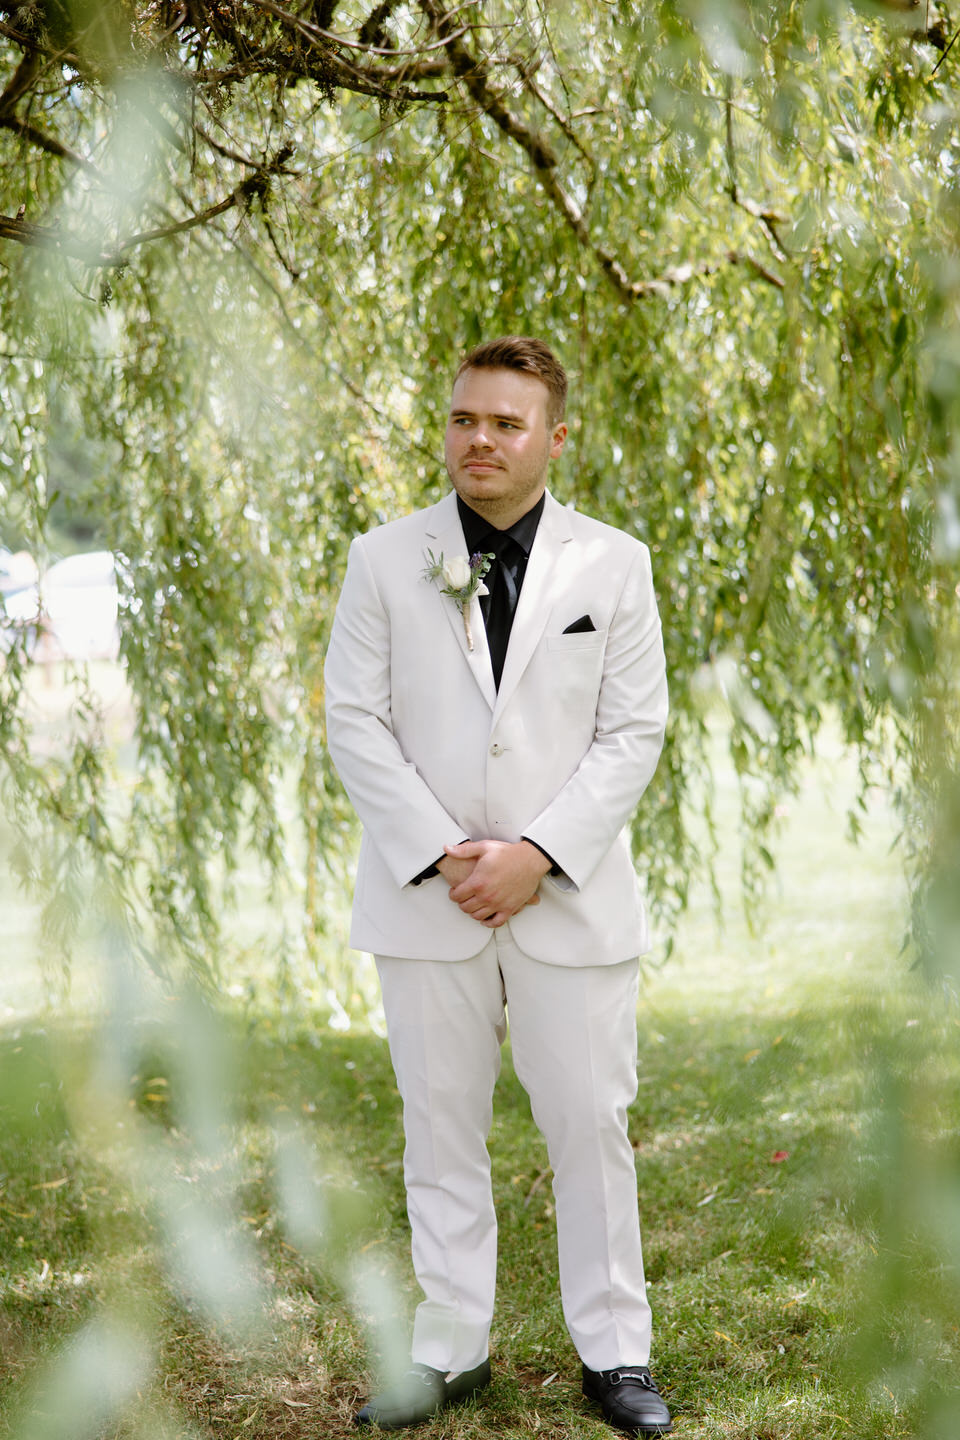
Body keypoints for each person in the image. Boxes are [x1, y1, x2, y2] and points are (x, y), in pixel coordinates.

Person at [324, 336, 671, 1436]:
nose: (479, 439)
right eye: (464, 418)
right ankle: (448, 1347)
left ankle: (615, 1352)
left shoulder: (614, 564)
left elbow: (633, 732)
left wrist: (536, 855)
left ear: (555, 438)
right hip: (426, 898)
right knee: (438, 1128)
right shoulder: (384, 559)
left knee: (590, 1127)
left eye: (506, 423)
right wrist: (443, 853)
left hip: (569, 896)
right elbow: (355, 721)